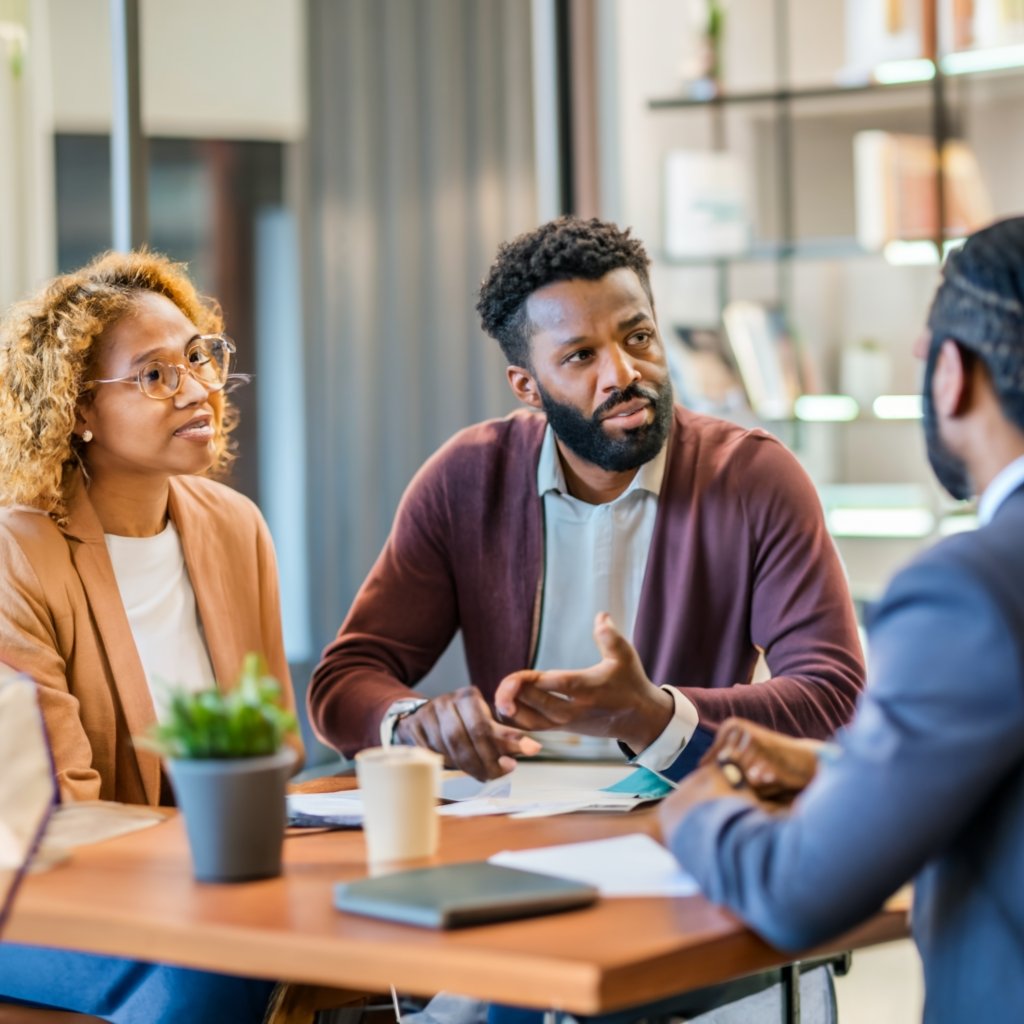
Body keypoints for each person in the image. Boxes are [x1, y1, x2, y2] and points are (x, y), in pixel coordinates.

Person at [309, 216, 865, 782]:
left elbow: (834, 698)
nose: (622, 373)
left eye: (638, 338)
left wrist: (654, 717)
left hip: (691, 807)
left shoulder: (752, 476)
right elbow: (346, 678)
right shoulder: (469, 478)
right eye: (580, 356)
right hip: (508, 817)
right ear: (527, 386)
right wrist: (415, 723)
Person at [655, 216, 1024, 1023]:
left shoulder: (972, 587)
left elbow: (795, 892)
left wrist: (696, 807)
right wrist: (840, 775)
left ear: (954, 374)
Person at [0, 250, 301, 1022]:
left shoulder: (234, 526)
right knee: (223, 965)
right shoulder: (17, 554)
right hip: (37, 891)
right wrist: (219, 849)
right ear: (77, 410)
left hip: (203, 889)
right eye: (156, 374)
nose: (200, 389)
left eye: (199, 358)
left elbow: (271, 750)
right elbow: (53, 813)